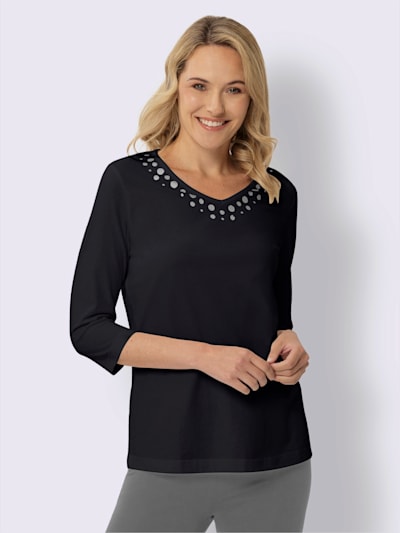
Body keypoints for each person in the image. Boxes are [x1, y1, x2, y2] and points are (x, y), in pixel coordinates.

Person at [69, 15, 312, 533]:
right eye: (200, 85)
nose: (215, 106)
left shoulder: (276, 194)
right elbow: (88, 328)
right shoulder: (127, 185)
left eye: (234, 89)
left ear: (251, 97)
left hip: (275, 455)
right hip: (169, 454)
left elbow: (276, 317)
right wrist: (206, 357)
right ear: (176, 84)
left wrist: (290, 345)